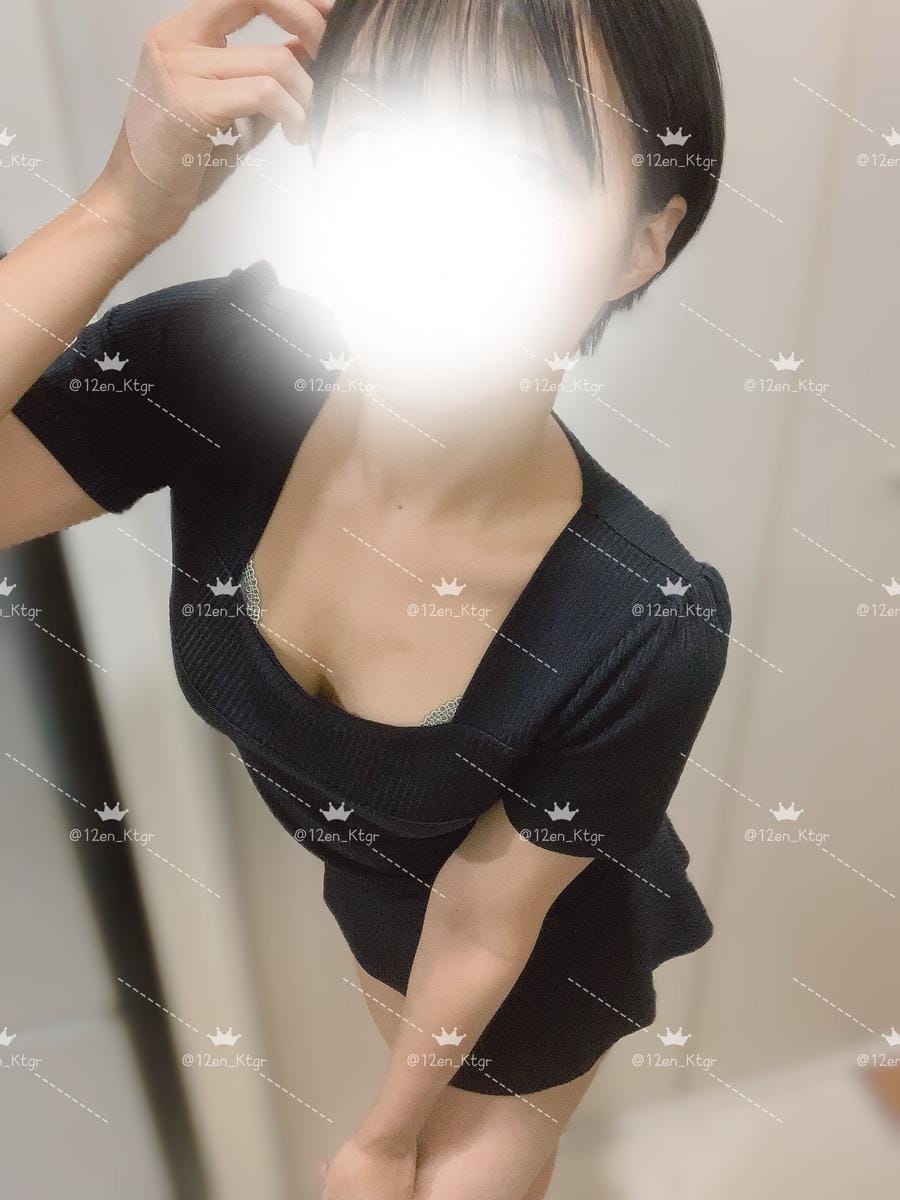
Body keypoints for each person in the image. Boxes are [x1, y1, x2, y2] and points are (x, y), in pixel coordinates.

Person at [0, 1, 731, 1197]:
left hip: (542, 949)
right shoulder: (226, 359)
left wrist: (381, 1141)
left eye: (521, 163)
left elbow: (488, 924)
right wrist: (126, 203)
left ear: (641, 242)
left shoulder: (648, 621)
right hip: (387, 903)